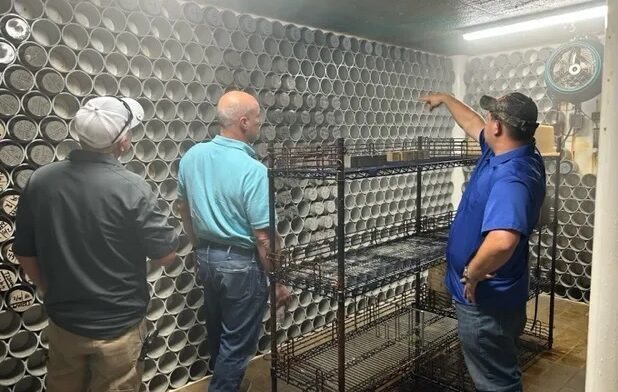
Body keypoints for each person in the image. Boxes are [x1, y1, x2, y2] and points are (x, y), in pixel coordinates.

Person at [13, 96, 178, 392]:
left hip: (64, 322)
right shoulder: (132, 188)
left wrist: (47, 288)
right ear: (123, 142)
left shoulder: (41, 181)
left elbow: (24, 252)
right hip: (120, 324)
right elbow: (166, 255)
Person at [420, 92, 546, 392]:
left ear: (498, 127)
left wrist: (473, 273)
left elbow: (503, 240)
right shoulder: (506, 151)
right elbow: (472, 122)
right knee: (496, 372)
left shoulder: (512, 176)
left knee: (496, 384)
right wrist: (446, 99)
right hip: (498, 298)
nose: (485, 120)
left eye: (490, 116)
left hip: (486, 304)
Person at [178, 90, 290, 391]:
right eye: (257, 119)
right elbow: (263, 236)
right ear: (243, 122)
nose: (259, 125)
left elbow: (184, 209)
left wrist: (199, 248)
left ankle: (228, 384)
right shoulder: (253, 170)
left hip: (207, 258)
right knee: (237, 344)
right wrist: (277, 282)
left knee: (219, 333)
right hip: (240, 264)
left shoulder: (192, 157)